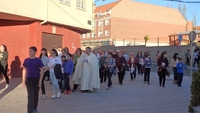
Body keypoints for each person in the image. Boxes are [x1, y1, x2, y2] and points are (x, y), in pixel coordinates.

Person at [22, 46, 44, 113]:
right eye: (29, 51)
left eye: (31, 51)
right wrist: (23, 80)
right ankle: (30, 110)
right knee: (30, 95)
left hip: (36, 79)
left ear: (35, 52)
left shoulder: (38, 60)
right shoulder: (26, 60)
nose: (30, 52)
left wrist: (40, 81)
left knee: (35, 94)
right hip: (28, 79)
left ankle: (35, 107)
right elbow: (24, 69)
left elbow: (42, 70)